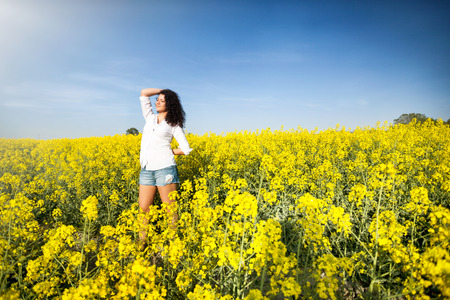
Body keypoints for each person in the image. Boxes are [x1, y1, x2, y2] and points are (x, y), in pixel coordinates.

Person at [138, 88, 192, 245]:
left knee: (169, 210)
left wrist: (170, 151)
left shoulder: (174, 124)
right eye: (157, 100)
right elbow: (143, 93)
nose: (158, 102)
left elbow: (186, 148)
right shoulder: (150, 118)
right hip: (147, 169)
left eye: (162, 100)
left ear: (170, 103)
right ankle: (141, 244)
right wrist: (163, 91)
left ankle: (173, 245)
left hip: (165, 169)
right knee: (144, 209)